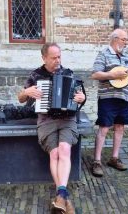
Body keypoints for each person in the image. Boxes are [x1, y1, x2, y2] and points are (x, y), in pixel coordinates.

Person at [18, 43, 86, 214]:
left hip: (67, 119)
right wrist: (27, 93)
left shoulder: (68, 73)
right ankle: (63, 196)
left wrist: (81, 97)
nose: (58, 60)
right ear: (44, 58)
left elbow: (80, 96)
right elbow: (20, 98)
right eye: (54, 57)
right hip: (46, 120)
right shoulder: (36, 75)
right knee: (54, 153)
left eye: (59, 57)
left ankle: (60, 196)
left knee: (64, 149)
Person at [91, 28, 128, 177]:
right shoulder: (103, 54)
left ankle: (114, 158)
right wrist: (112, 74)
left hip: (124, 97)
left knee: (120, 127)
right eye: (124, 39)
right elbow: (95, 74)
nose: (126, 42)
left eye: (126, 40)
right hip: (107, 97)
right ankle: (96, 161)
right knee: (104, 128)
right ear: (115, 39)